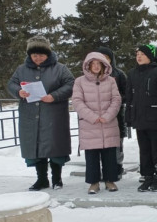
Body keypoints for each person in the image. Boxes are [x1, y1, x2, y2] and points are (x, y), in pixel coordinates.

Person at [7, 35, 75, 190]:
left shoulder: (60, 68)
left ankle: (57, 179)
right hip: (30, 115)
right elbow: (11, 83)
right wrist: (19, 92)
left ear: (48, 54)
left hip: (53, 115)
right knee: (36, 148)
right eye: (35, 55)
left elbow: (71, 84)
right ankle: (42, 179)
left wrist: (54, 96)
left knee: (55, 147)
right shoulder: (21, 69)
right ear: (30, 55)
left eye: (42, 55)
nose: (38, 58)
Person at [71, 51, 122, 194]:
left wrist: (108, 115)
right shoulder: (79, 81)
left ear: (103, 65)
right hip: (90, 124)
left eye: (98, 63)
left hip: (108, 123)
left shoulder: (111, 81)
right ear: (87, 66)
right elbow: (77, 101)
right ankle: (93, 183)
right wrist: (92, 117)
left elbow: (116, 99)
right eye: (92, 64)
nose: (95, 66)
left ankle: (110, 180)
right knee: (92, 156)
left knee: (109, 155)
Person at [125, 44, 157, 192]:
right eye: (137, 54)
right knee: (144, 150)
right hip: (139, 119)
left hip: (155, 119)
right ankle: (147, 176)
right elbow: (129, 98)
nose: (138, 56)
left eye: (142, 54)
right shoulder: (132, 73)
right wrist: (129, 117)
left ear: (150, 56)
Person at [96, 46, 128, 180]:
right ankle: (104, 168)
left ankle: (117, 167)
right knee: (100, 143)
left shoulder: (119, 74)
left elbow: (126, 94)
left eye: (106, 57)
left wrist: (115, 100)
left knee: (116, 143)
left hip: (116, 115)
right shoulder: (92, 74)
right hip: (98, 116)